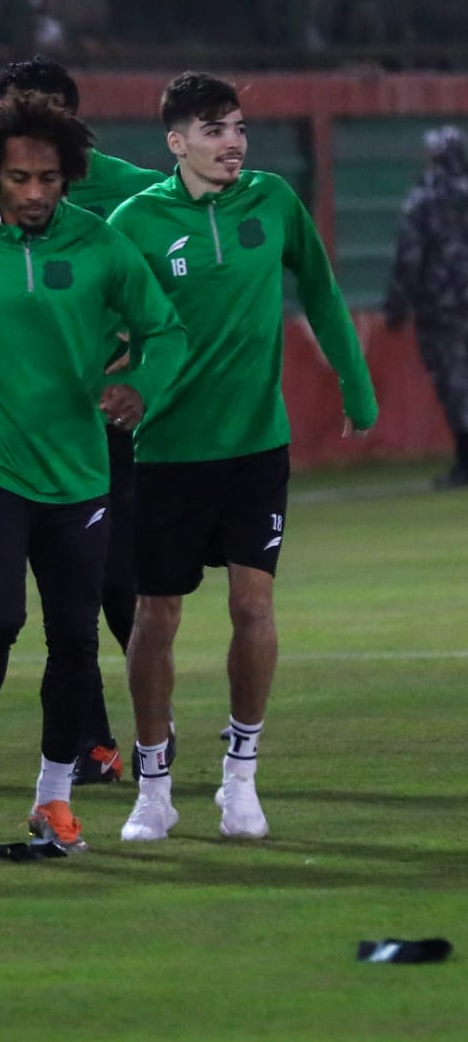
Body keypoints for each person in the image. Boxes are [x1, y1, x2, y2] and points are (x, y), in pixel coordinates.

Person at [0, 92, 186, 853]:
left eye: (49, 178)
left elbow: (166, 329)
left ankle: (54, 800)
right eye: (20, 178)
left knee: (75, 639)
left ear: (68, 175)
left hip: (78, 472)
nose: (35, 193)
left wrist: (142, 386)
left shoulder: (102, 247)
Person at [108, 72, 378, 842]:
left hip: (256, 445)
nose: (233, 143)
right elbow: (99, 322)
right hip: (167, 451)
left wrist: (356, 385)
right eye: (214, 130)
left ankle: (241, 776)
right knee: (156, 615)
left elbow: (321, 289)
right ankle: (153, 784)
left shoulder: (273, 201)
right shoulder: (136, 222)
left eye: (238, 128)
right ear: (176, 141)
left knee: (253, 605)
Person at [0, 55, 169, 786]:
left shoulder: (135, 192)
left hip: (108, 422)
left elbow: (177, 287)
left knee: (117, 582)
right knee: (64, 594)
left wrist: (136, 357)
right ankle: (93, 742)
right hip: (31, 426)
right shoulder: (0, 199)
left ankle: (153, 721)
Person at [383, 125, 468, 489]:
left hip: (440, 309)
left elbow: (409, 258)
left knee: (454, 382)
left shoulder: (423, 200)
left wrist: (396, 307)